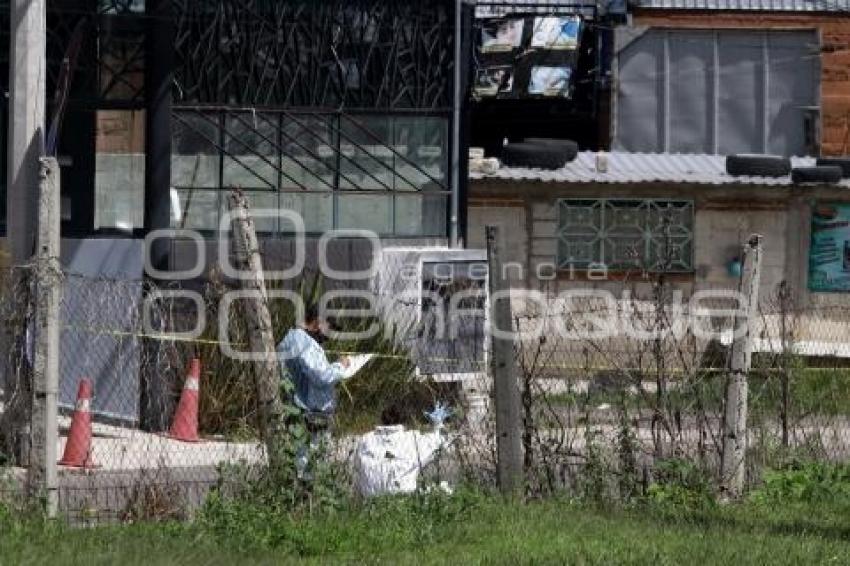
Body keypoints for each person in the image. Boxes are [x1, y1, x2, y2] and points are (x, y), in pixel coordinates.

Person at [277, 305, 351, 478]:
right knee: (308, 469)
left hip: (301, 414)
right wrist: (342, 365)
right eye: (329, 329)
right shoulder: (303, 341)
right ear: (318, 323)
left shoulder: (295, 339)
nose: (329, 335)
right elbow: (321, 375)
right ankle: (305, 499)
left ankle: (304, 497)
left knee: (303, 464)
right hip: (307, 417)